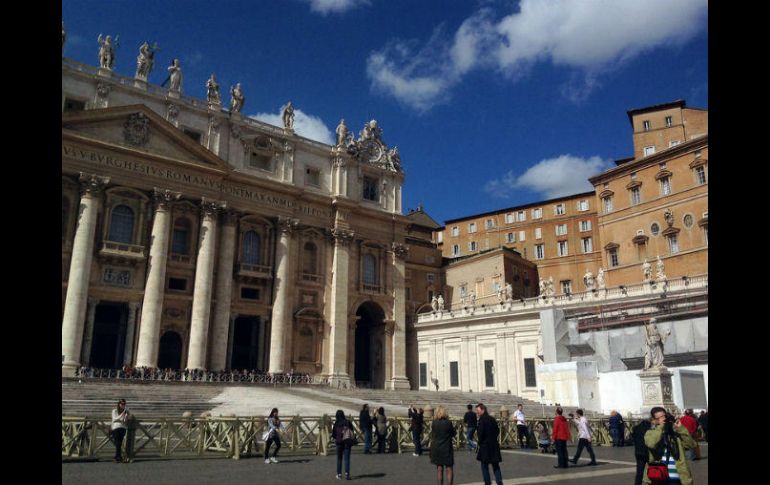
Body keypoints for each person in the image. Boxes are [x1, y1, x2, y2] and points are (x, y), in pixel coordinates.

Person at [644, 407, 696, 485]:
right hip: (658, 477)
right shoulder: (650, 433)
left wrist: (681, 429)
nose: (663, 419)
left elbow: (691, 445)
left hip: (678, 478)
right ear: (654, 420)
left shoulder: (675, 434)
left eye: (664, 416)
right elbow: (651, 443)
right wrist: (661, 427)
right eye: (659, 418)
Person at [476, 403, 503, 485]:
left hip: (485, 446)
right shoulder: (492, 419)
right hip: (494, 445)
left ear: (483, 410)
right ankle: (499, 483)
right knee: (496, 466)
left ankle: (487, 483)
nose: (477, 413)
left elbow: (480, 434)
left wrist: (480, 442)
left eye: (478, 411)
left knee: (484, 467)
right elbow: (497, 431)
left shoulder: (482, 420)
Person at [430, 406, 456, 485]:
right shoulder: (448, 423)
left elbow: (433, 434)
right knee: (449, 468)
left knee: (439, 469)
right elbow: (453, 434)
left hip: (437, 448)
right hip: (446, 447)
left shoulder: (434, 422)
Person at [332, 409, 353, 480]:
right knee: (347, 459)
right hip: (347, 442)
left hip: (339, 442)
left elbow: (333, 434)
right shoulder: (348, 422)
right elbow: (352, 431)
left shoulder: (336, 423)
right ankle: (347, 474)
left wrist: (337, 437)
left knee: (339, 459)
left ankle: (339, 474)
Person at [632, 416, 652, 485]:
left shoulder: (636, 427)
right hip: (648, 452)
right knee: (653, 470)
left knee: (639, 472)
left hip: (638, 452)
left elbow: (633, 438)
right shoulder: (651, 428)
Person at [111, 399, 130, 463]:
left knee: (119, 443)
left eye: (124, 404)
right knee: (118, 443)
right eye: (122, 404)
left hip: (122, 428)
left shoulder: (126, 412)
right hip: (115, 428)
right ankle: (118, 457)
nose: (123, 405)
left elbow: (124, 421)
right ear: (119, 404)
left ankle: (117, 457)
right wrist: (122, 414)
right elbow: (114, 419)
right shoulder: (114, 411)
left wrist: (126, 416)